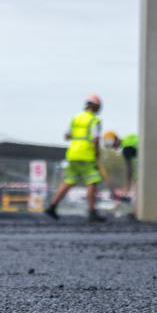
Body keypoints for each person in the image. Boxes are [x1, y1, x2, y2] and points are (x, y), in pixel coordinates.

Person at [45, 94, 106, 222]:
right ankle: (92, 212)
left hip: (72, 154)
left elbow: (66, 136)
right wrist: (97, 153)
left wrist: (78, 137)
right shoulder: (94, 120)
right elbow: (95, 139)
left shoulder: (76, 118)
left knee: (69, 181)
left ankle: (52, 206)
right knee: (92, 182)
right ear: (96, 107)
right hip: (86, 155)